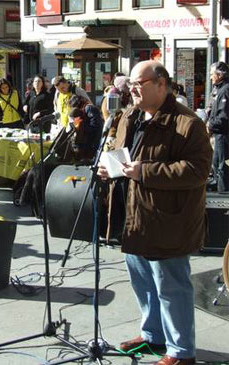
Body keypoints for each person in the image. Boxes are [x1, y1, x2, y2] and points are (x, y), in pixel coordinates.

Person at [98, 60, 212, 364]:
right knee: (143, 283)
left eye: (140, 84)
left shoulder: (187, 123)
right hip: (133, 217)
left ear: (162, 84)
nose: (132, 90)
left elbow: (198, 171)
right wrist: (111, 170)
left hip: (167, 221)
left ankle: (181, 351)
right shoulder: (129, 117)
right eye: (131, 84)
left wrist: (145, 172)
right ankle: (153, 335)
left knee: (171, 286)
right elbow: (123, 156)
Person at [207, 61, 229, 193]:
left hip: (224, 135)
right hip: (218, 135)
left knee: (222, 166)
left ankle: (224, 193)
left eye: (212, 74)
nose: (210, 78)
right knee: (216, 165)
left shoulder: (225, 90)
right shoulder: (218, 90)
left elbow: (224, 116)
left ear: (219, 75)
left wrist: (210, 124)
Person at [68, 94, 103, 160]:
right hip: (89, 142)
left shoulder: (89, 108)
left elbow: (95, 126)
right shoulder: (86, 109)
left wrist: (81, 127)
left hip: (93, 142)